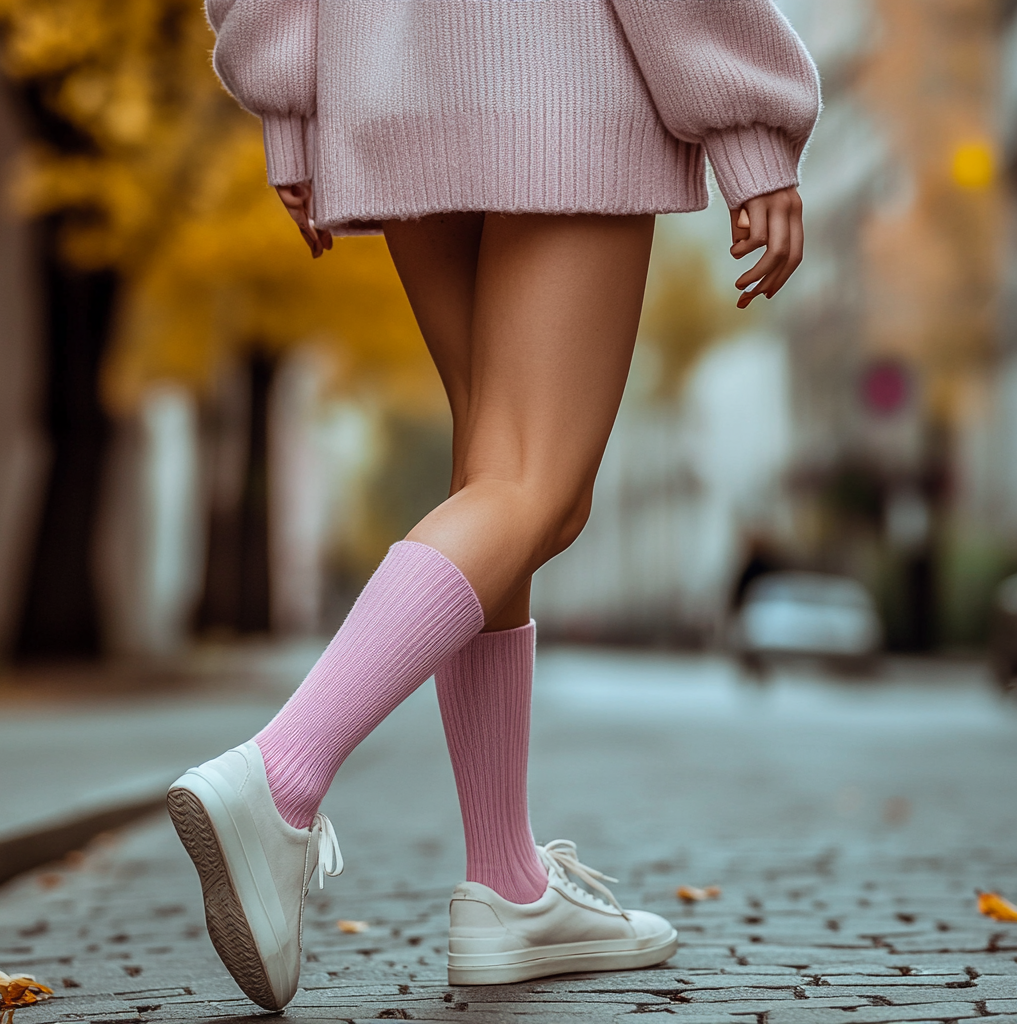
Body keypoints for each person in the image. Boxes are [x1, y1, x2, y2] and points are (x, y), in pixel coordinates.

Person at [167, 0, 820, 1011]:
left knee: (496, 474)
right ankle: (280, 775)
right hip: (559, 66)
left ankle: (507, 879)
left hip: (386, 74)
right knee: (533, 487)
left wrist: (290, 98)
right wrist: (745, 109)